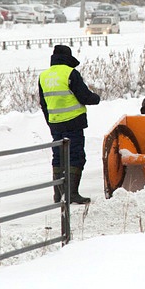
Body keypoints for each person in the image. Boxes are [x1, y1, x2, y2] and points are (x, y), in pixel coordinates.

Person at [38, 44, 100, 204]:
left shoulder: (44, 76)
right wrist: (96, 98)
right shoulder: (70, 73)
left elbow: (43, 104)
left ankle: (58, 195)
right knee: (76, 156)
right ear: (68, 58)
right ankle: (72, 194)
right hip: (73, 123)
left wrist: (51, 122)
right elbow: (84, 97)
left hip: (55, 123)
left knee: (58, 157)